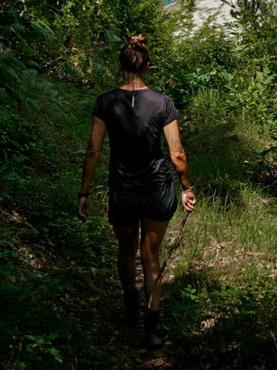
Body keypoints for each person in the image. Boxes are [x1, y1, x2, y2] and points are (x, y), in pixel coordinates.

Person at [77, 34, 196, 350]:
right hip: (156, 190)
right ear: (147, 66)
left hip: (123, 190)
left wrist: (84, 193)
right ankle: (152, 326)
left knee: (126, 251)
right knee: (151, 256)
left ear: (119, 65)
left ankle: (131, 309)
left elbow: (93, 149)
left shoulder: (105, 102)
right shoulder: (163, 103)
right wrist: (187, 188)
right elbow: (177, 154)